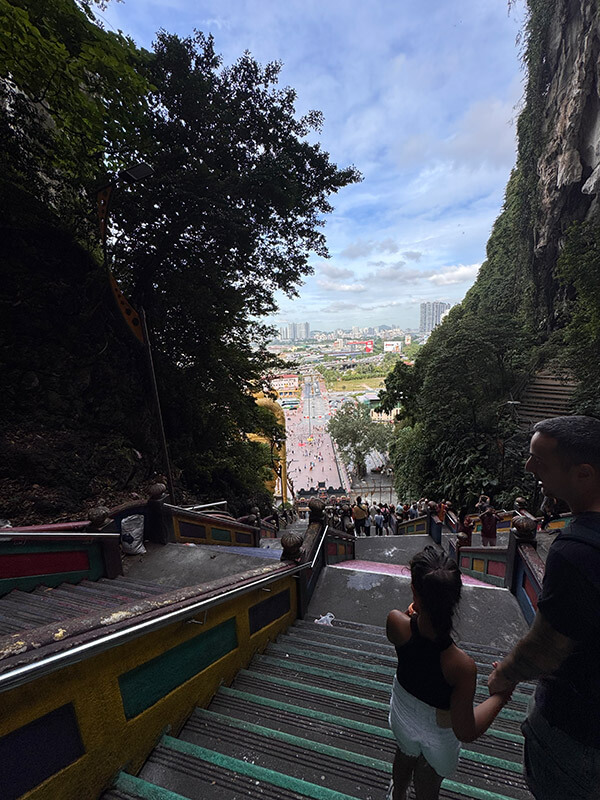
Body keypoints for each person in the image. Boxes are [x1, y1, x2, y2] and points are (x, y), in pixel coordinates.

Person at [488, 416, 600, 800]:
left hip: (579, 729)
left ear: (583, 473)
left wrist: (504, 675)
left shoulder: (576, 552)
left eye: (540, 461)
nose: (529, 468)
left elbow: (546, 648)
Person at [387, 546, 513, 799]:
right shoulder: (461, 666)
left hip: (402, 714)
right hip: (439, 735)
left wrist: (415, 609)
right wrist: (502, 695)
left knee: (404, 752)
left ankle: (397, 794)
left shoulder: (395, 623)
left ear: (415, 592)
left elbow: (408, 620)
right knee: (429, 778)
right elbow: (466, 731)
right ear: (455, 599)